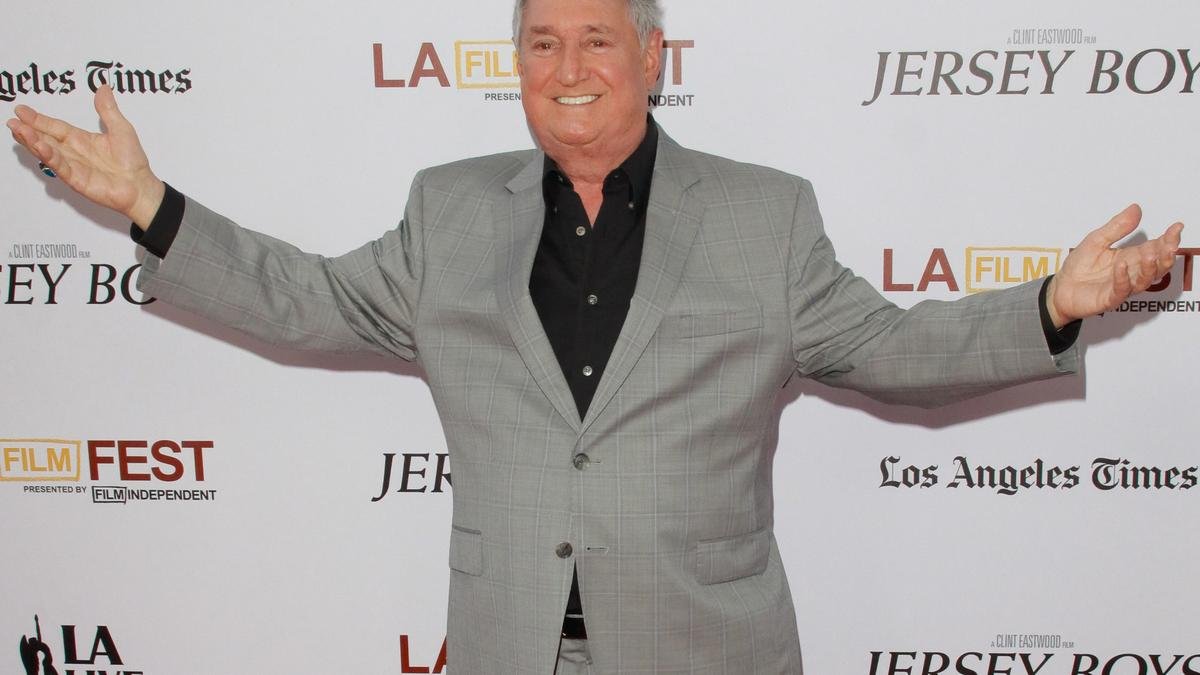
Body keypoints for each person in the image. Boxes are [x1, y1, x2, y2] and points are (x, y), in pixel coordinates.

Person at [6, 0, 1183, 672]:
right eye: (542, 43)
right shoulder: (448, 211)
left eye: (597, 39)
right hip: (513, 643)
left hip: (702, 646)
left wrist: (1049, 304)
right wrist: (150, 207)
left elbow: (892, 350)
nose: (568, 69)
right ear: (517, 64)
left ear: (652, 56)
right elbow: (304, 298)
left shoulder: (764, 215)